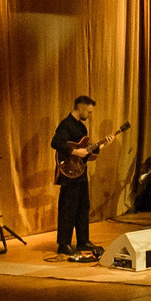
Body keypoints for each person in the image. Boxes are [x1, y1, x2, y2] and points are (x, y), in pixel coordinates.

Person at [51, 95, 105, 256]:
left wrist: (98, 147)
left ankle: (83, 241)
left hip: (81, 172)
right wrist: (75, 151)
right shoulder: (65, 125)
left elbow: (85, 153)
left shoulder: (82, 128)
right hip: (68, 173)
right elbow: (55, 143)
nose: (89, 115)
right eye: (88, 112)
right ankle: (64, 243)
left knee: (83, 206)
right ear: (80, 107)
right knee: (68, 207)